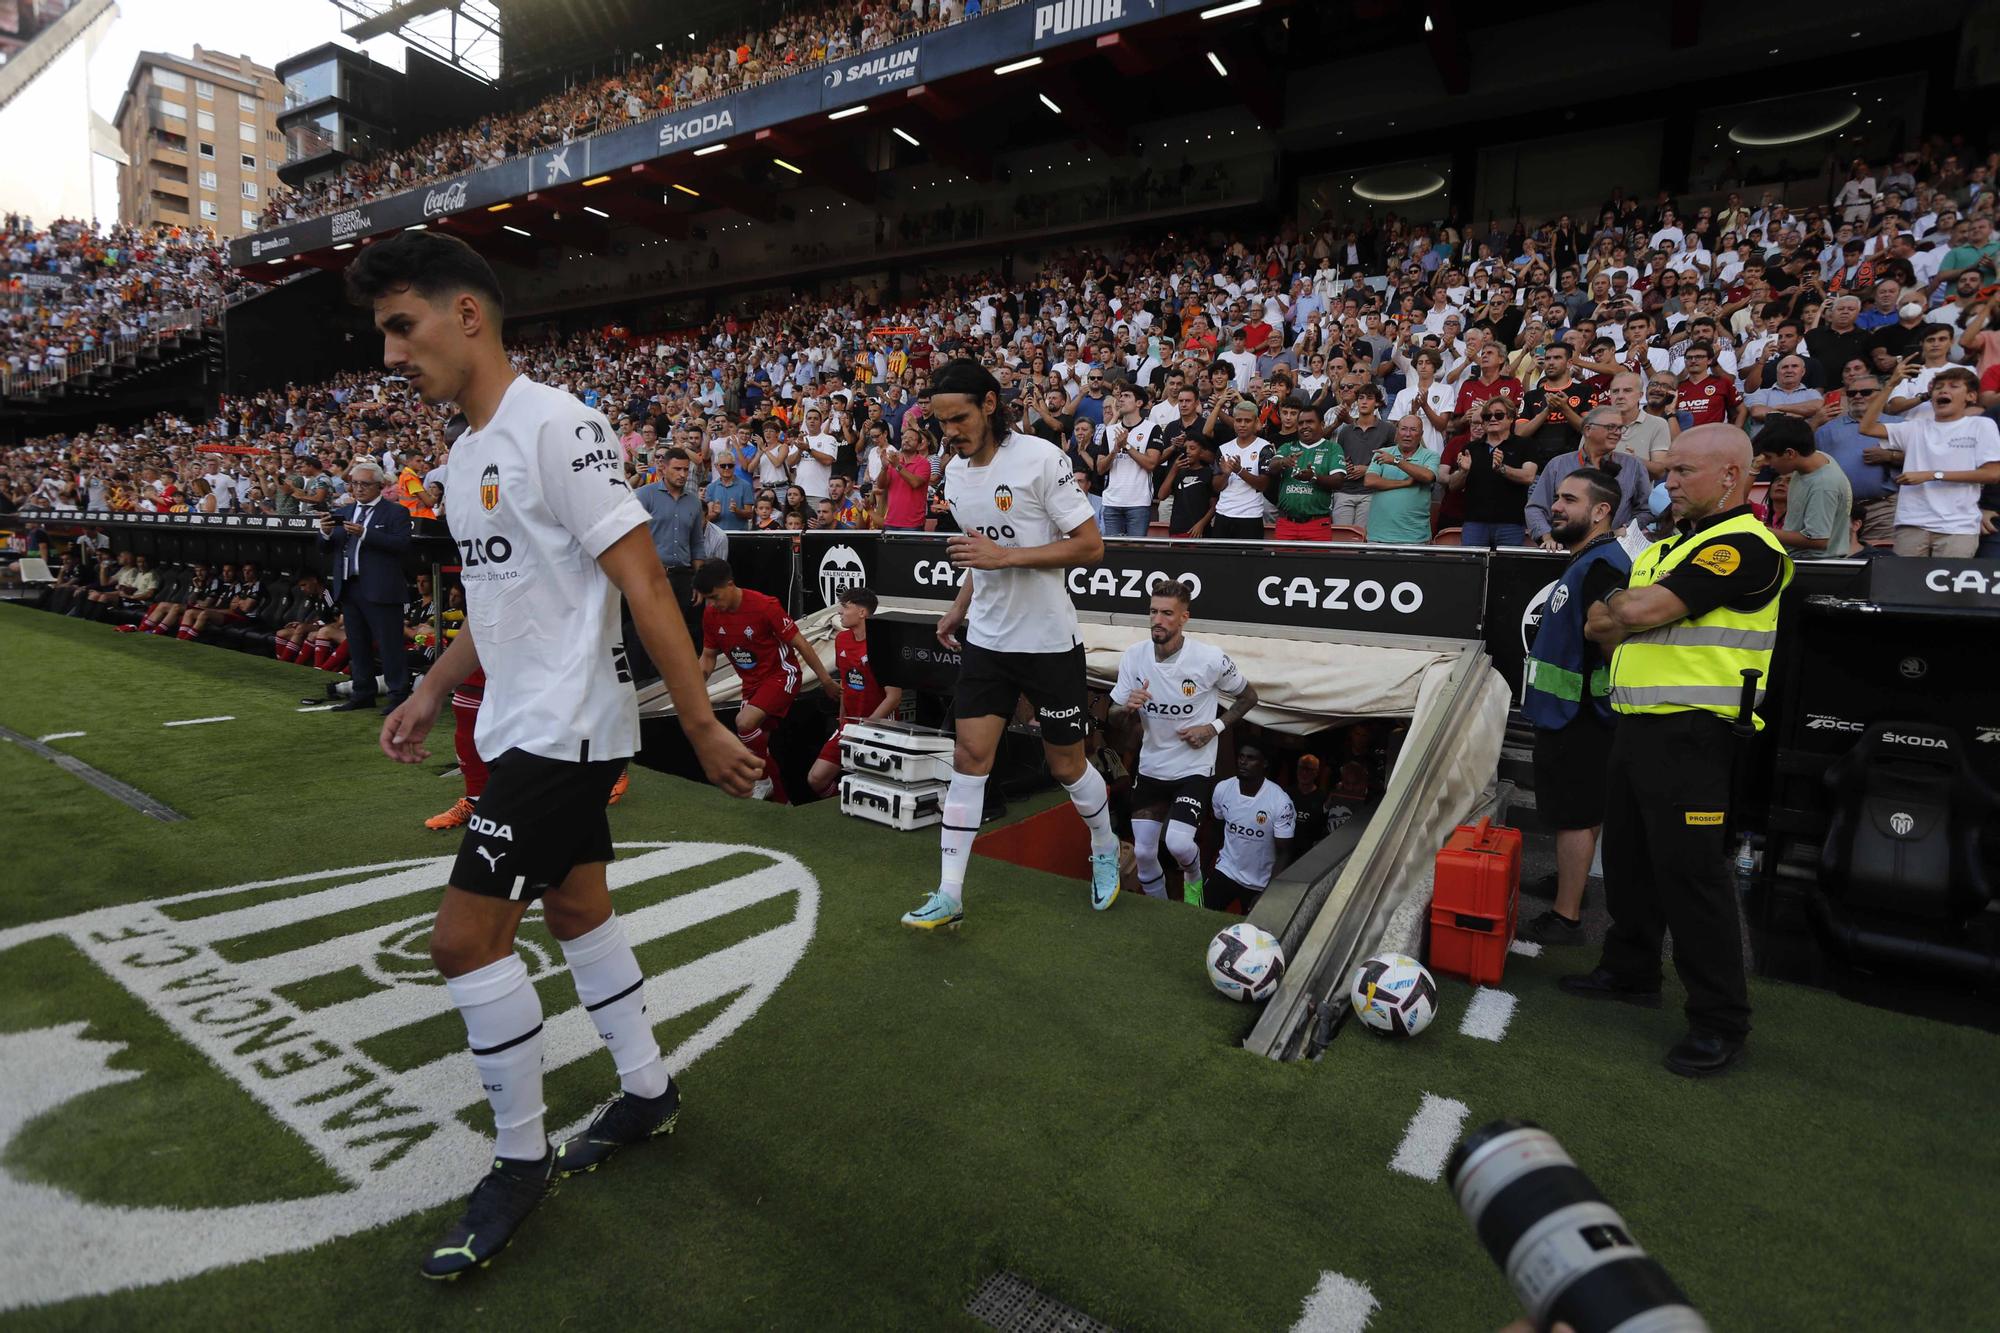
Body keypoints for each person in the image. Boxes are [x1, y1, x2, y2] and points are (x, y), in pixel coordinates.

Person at [357, 231, 763, 1279]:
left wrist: (702, 718)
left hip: (566, 730)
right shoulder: (459, 458)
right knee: (578, 908)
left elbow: (645, 583)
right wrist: (432, 688)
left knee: (462, 940)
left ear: (467, 315)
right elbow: (495, 605)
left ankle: (518, 1159)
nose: (392, 354)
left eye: (402, 326)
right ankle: (645, 1090)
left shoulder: (561, 428)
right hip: (518, 725)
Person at [1565, 423, 1793, 1078]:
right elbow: (1601, 624)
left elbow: (1628, 615)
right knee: (1631, 861)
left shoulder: (1744, 546)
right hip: (1638, 724)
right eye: (1666, 473)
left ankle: (1721, 1020)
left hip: (1696, 734)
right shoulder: (1669, 546)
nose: (1667, 484)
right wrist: (1625, 608)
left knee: (1693, 877)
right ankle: (1630, 970)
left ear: (1730, 475)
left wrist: (1623, 607)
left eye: (1681, 473)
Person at [901, 359, 1115, 930]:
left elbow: (1091, 546)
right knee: (970, 759)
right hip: (989, 642)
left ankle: (1103, 845)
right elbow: (981, 554)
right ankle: (949, 893)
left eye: (959, 419)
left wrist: (1006, 558)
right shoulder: (954, 475)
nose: (950, 432)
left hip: (1048, 642)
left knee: (1067, 765)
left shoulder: (1043, 459)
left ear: (990, 405)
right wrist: (960, 604)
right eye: (942, 423)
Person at [1518, 467, 1633, 945]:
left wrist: (1603, 661)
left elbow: (1609, 624)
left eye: (1568, 499)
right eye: (1556, 498)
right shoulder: (1589, 557)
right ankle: (1571, 884)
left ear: (1601, 510)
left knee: (1574, 813)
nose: (1556, 507)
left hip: (1580, 713)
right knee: (1576, 810)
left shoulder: (1603, 562)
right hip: (1572, 711)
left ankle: (1566, 917)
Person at [1109, 582, 1259, 904]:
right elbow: (1113, 717)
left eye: (1167, 613)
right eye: (1153, 612)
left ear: (1184, 618)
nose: (1157, 620)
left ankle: (1193, 877)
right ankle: (1160, 910)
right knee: (1146, 852)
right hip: (1152, 767)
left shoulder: (1209, 659)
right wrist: (1126, 709)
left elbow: (1249, 697)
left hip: (1194, 767)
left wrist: (1213, 727)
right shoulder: (1134, 658)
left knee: (1177, 843)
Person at [696, 558, 839, 804]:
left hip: (782, 675)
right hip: (751, 685)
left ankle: (763, 781)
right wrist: (694, 686)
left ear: (730, 585)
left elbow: (801, 643)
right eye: (707, 599)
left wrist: (825, 680)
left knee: (744, 722)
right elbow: (708, 657)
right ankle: (783, 803)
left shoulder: (764, 606)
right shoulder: (711, 615)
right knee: (757, 748)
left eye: (715, 596)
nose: (712, 603)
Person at [1859, 361, 2000, 557]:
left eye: (1953, 386)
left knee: (1949, 588)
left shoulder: (1981, 425)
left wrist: (1932, 475)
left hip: (1958, 527)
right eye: (1938, 387)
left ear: (1971, 396)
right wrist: (1891, 385)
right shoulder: (1915, 427)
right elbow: (1866, 427)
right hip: (1911, 523)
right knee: (1905, 586)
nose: (1943, 391)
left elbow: (1993, 474)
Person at [317, 459, 413, 713]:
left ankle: (398, 695)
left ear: (380, 486)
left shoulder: (396, 512)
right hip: (350, 586)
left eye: (364, 484)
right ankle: (363, 692)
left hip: (381, 588)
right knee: (357, 643)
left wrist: (366, 534)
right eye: (354, 483)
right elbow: (328, 547)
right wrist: (325, 532)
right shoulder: (346, 512)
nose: (358, 489)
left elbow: (402, 545)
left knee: (389, 644)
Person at [806, 586, 904, 798]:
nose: (840, 612)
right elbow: (846, 681)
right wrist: (842, 718)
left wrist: (866, 727)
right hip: (849, 725)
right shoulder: (842, 639)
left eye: (845, 607)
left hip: (879, 727)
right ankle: (839, 802)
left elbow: (894, 697)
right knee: (816, 778)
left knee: (872, 786)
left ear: (862, 612)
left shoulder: (881, 645)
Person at [1525, 407, 1650, 548]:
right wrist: (1547, 537)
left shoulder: (1633, 466)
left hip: (1615, 549)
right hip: (1565, 551)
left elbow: (1645, 510)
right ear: (1588, 430)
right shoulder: (1558, 465)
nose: (1617, 432)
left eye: (1620, 428)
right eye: (1611, 427)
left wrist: (1627, 530)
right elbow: (1535, 508)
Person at [1207, 744, 1296, 915]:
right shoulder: (1223, 789)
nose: (1243, 762)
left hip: (1260, 882)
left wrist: (1268, 892)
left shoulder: (1280, 802)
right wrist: (1204, 868)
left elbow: (1285, 852)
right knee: (1200, 917)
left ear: (1264, 764)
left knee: (1253, 934)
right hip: (1226, 870)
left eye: (1250, 758)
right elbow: (1217, 828)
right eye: (1241, 756)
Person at [632, 446, 708, 645]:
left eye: (685, 469)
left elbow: (697, 543)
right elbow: (633, 538)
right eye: (677, 469)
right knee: (649, 634)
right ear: (663, 469)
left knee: (684, 634)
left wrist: (698, 580)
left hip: (683, 576)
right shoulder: (644, 496)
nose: (682, 474)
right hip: (651, 575)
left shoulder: (694, 502)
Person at [1753, 416, 1852, 558]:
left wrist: (1760, 531)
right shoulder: (1816, 458)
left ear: (1789, 453)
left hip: (1814, 568)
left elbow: (1818, 540)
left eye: (1769, 457)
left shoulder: (1824, 484)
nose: (1767, 463)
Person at [1451, 397, 1537, 546]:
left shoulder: (1525, 445)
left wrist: (1502, 469)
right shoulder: (1471, 448)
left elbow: (1528, 477)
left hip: (1511, 524)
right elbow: (1453, 486)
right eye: (1487, 416)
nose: (1492, 419)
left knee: (1506, 568)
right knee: (1473, 567)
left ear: (1511, 418)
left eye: (1498, 415)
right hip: (1474, 523)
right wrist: (1464, 472)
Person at [1363, 413, 1441, 544]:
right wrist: (1405, 483)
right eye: (1403, 429)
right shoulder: (1383, 452)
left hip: (1415, 537)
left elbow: (1427, 476)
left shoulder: (1431, 456)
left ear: (1421, 434)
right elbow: (1370, 481)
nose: (1407, 434)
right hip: (1379, 536)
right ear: (1397, 432)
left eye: (1413, 430)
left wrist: (1395, 461)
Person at [1095, 384, 1160, 537]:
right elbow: (1100, 468)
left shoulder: (1152, 428)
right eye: (1120, 396)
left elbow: (1151, 464)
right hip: (1111, 502)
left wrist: (1127, 446)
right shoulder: (1110, 431)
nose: (1121, 399)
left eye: (1127, 396)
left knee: (1136, 551)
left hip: (1138, 502)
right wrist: (1115, 450)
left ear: (1139, 403)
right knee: (1114, 552)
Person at [1268, 403, 1340, 540]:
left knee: (1315, 562)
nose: (1305, 426)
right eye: (1301, 423)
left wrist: (1313, 477)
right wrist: (1283, 462)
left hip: (1317, 523)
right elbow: (1271, 468)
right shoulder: (1287, 447)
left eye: (1310, 422)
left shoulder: (1332, 448)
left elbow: (1338, 481)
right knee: (1279, 562)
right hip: (1286, 523)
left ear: (1322, 424)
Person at [1209, 399, 1275, 541]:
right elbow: (1216, 486)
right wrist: (1226, 474)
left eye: (1247, 421)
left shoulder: (1265, 448)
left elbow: (1263, 485)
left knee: (1248, 563)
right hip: (1223, 514)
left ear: (1256, 422)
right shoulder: (1224, 448)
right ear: (1234, 422)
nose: (1242, 425)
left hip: (1250, 516)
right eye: (1238, 420)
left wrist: (1239, 471)